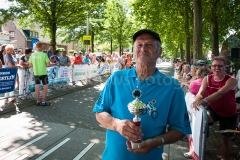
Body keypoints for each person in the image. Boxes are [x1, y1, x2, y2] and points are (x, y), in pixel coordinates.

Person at [93, 29, 191, 160]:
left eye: (149, 45)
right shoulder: (116, 78)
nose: (143, 48)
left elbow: (180, 129)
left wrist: (157, 142)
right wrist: (116, 124)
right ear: (133, 51)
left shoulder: (172, 86)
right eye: (139, 45)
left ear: (159, 51)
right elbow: (100, 112)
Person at [193, 56, 238, 160]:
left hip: (229, 113)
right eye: (214, 66)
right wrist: (196, 99)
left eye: (220, 66)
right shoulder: (207, 78)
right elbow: (200, 93)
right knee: (201, 121)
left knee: (226, 140)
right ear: (211, 67)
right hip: (213, 109)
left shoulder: (232, 80)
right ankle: (197, 149)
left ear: (225, 67)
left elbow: (220, 93)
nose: (217, 68)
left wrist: (204, 100)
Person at [29, 42, 51, 106]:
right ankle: (43, 102)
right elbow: (48, 64)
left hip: (36, 73)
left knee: (37, 87)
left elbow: (30, 65)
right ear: (41, 47)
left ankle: (37, 101)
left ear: (36, 47)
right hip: (43, 73)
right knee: (45, 87)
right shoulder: (44, 54)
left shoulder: (32, 55)